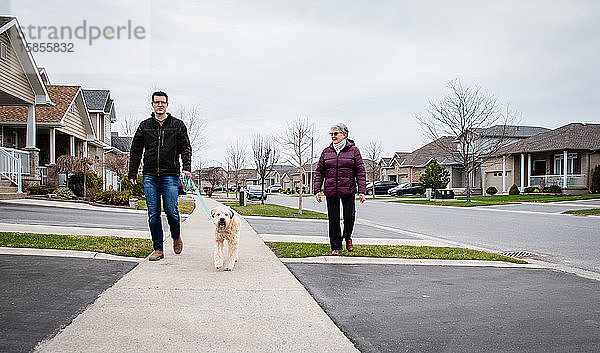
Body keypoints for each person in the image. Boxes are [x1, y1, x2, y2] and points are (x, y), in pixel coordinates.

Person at [128, 91, 192, 261]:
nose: (160, 105)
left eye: (162, 102)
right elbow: (135, 150)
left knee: (172, 211)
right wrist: (132, 172)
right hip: (149, 175)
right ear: (152, 104)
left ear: (167, 104)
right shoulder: (144, 126)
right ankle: (158, 249)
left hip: (170, 175)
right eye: (157, 102)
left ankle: (176, 236)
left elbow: (185, 148)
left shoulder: (177, 125)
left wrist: (186, 167)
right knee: (153, 213)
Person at [314, 123, 366, 255]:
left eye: (335, 133)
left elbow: (360, 172)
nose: (333, 136)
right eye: (331, 134)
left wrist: (362, 191)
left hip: (348, 189)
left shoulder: (354, 151)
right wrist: (317, 189)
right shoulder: (326, 152)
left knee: (349, 216)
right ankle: (335, 246)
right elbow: (319, 172)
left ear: (344, 134)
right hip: (331, 190)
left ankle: (347, 236)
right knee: (334, 219)